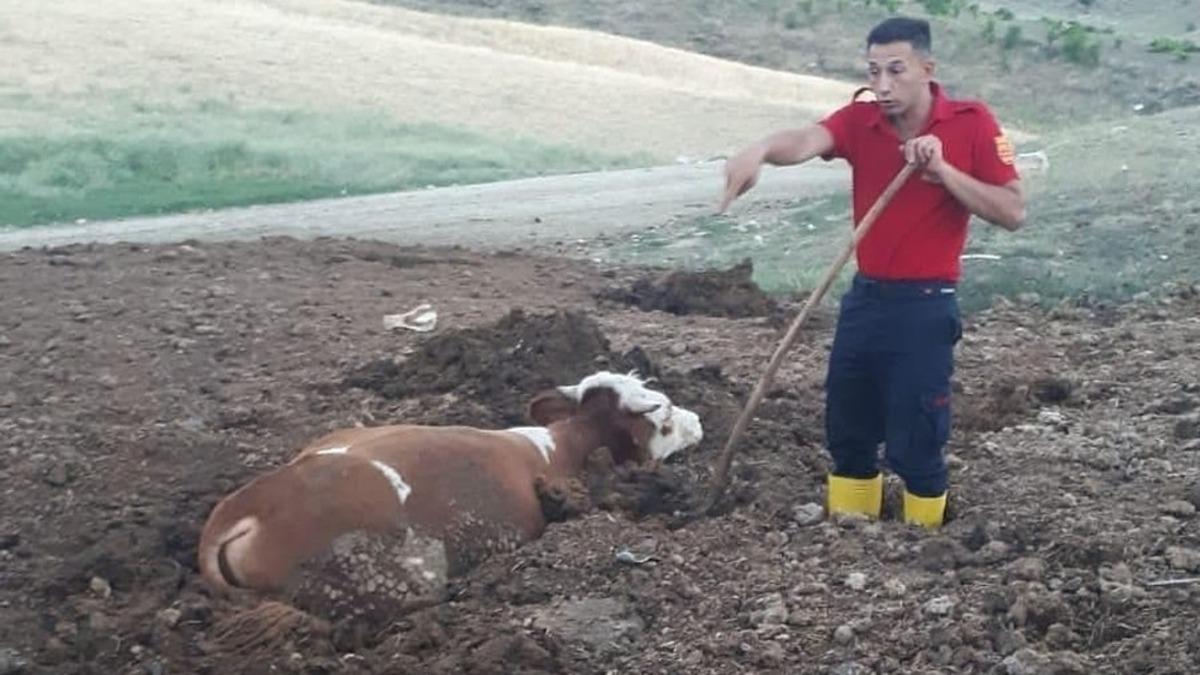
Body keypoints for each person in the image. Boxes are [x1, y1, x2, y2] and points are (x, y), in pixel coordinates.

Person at [719, 16, 1025, 528]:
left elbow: (1013, 212)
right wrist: (762, 151)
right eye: (873, 71)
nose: (882, 86)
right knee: (848, 426)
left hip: (926, 304)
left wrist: (943, 172)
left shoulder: (971, 123)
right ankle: (846, 538)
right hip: (865, 300)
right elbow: (808, 138)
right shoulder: (861, 121)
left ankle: (926, 541)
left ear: (927, 69)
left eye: (896, 71)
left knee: (918, 432)